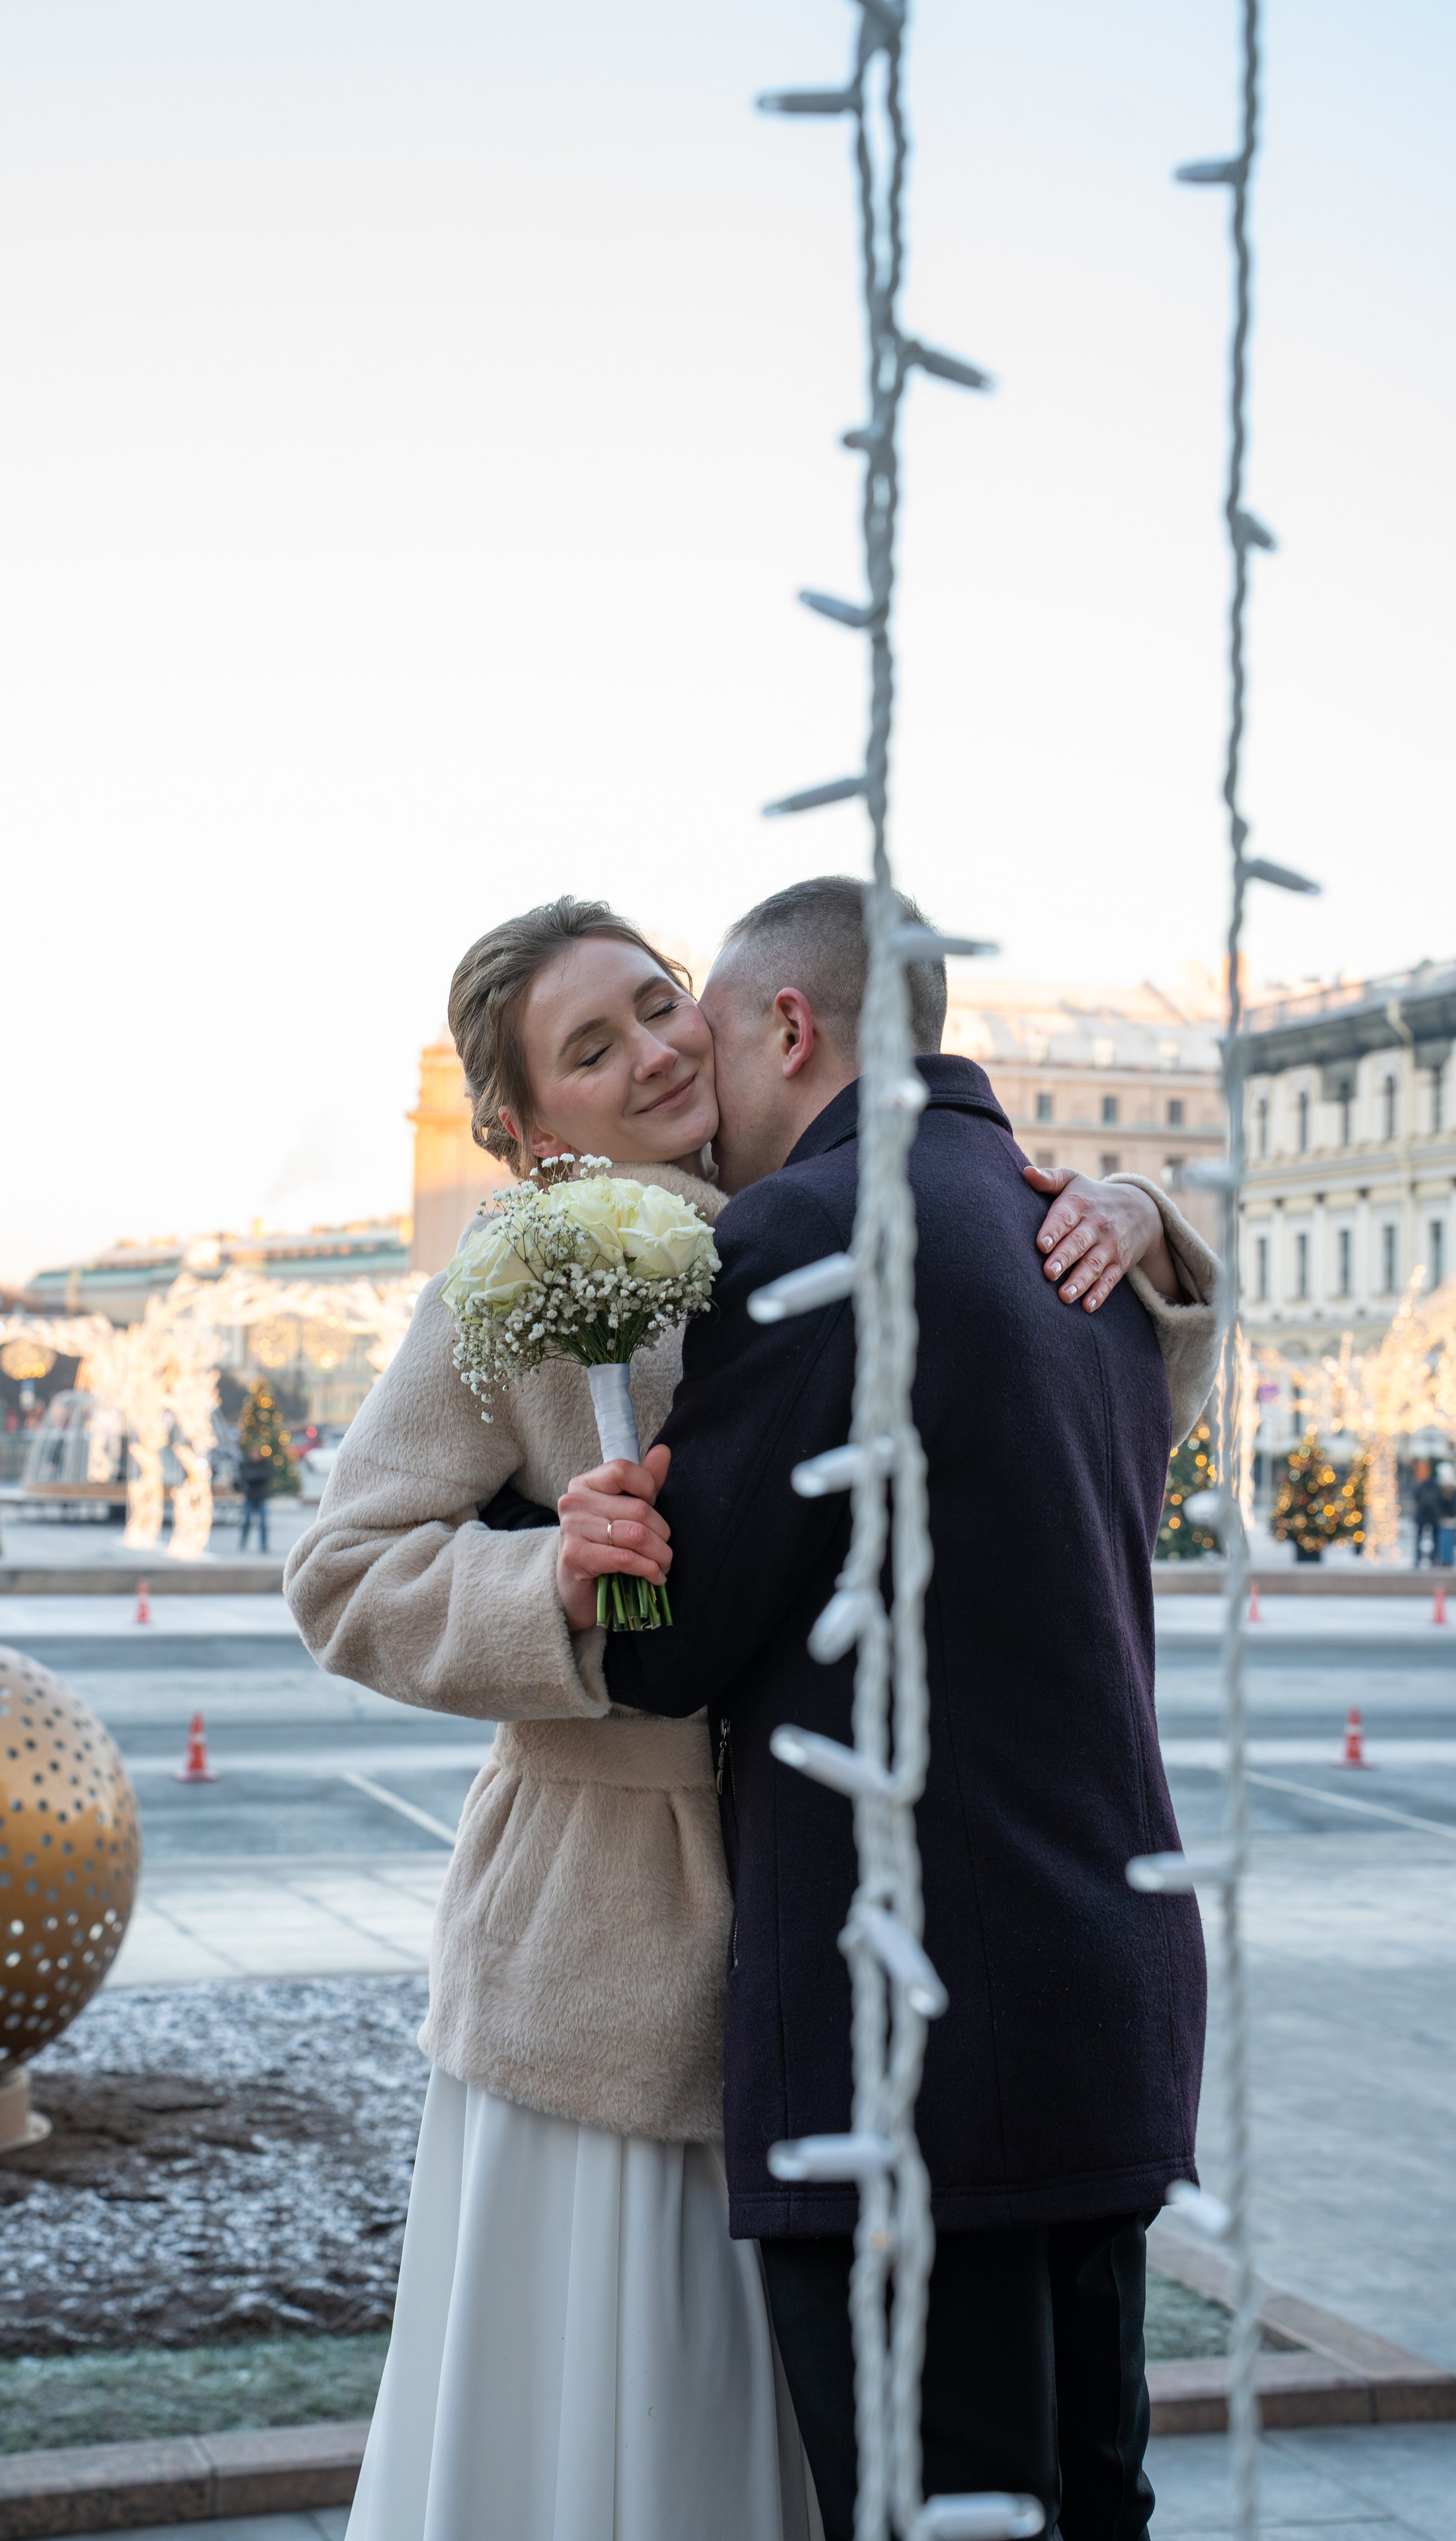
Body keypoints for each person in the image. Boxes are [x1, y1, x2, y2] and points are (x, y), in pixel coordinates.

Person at [284, 895, 1218, 2541]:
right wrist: (548, 1585)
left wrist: (1137, 1215)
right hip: (611, 1964)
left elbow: (1036, 1436)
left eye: (657, 1004)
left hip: (837, 1992)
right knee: (620, 2445)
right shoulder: (500, 1289)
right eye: (593, 1046)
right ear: (518, 1129)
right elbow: (343, 1570)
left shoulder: (800, 1216)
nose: (653, 1047)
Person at [576, 877, 1217, 2541]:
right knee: (1094, 2502)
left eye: (701, 1036)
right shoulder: (1073, 1228)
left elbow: (668, 1639)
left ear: (788, 1026)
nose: (687, 1081)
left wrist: (561, 1531)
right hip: (1102, 1999)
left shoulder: (808, 1228)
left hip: (911, 2053)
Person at [239, 1446, 273, 1553]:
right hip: (250, 1497)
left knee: (263, 1523)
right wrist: (256, 1477)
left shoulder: (264, 1464)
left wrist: (255, 1477)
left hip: (261, 1497)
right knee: (246, 1522)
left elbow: (265, 1476)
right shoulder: (247, 1464)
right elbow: (246, 1477)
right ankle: (243, 1542)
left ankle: (263, 1545)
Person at [1411, 1459, 1440, 1567]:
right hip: (1425, 1515)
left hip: (1431, 1515)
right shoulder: (1420, 1484)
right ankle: (1422, 1559)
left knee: (1433, 1539)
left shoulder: (1432, 1484)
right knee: (1421, 1539)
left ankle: (1432, 1559)